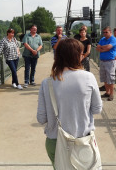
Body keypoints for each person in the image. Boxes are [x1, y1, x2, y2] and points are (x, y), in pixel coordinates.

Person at [37, 38, 102, 167]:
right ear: (77, 56)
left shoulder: (47, 83)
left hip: (55, 142)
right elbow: (97, 109)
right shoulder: (88, 77)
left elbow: (41, 118)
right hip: (83, 141)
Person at [96, 26, 116, 101]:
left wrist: (102, 48)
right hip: (103, 61)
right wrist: (103, 48)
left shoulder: (113, 39)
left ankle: (111, 94)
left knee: (110, 78)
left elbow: (108, 47)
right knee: (104, 77)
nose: (105, 33)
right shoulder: (102, 39)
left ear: (110, 32)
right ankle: (107, 92)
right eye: (104, 32)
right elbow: (97, 48)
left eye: (106, 32)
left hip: (110, 61)